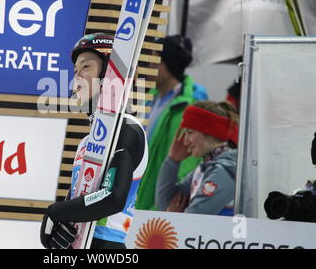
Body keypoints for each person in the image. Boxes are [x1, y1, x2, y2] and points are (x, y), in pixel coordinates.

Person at [40, 33, 148, 249]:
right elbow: (79, 202)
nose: (77, 77)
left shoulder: (127, 129)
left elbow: (113, 197)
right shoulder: (85, 142)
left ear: (110, 73)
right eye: (75, 71)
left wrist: (55, 213)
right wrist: (58, 229)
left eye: (86, 67)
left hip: (107, 246)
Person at [135, 35, 208, 211]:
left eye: (155, 60)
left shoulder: (187, 108)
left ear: (169, 64)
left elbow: (186, 165)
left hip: (153, 208)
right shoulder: (148, 98)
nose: (150, 66)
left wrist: (160, 208)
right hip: (133, 199)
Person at [155, 101, 238, 216]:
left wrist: (173, 217)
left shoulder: (223, 171)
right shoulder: (205, 168)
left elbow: (193, 220)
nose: (185, 141)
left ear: (209, 131)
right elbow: (164, 204)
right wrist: (173, 160)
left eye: (190, 132)